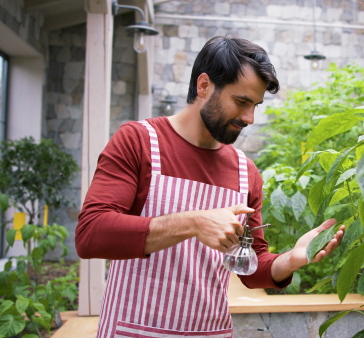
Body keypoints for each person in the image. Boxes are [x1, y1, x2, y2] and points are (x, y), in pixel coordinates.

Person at [75, 36, 344, 337]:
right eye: (241, 102)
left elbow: (251, 266)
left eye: (255, 105)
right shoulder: (139, 142)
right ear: (204, 86)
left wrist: (291, 260)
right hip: (131, 331)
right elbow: (92, 234)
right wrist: (192, 222)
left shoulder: (246, 173)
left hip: (210, 332)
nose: (249, 118)